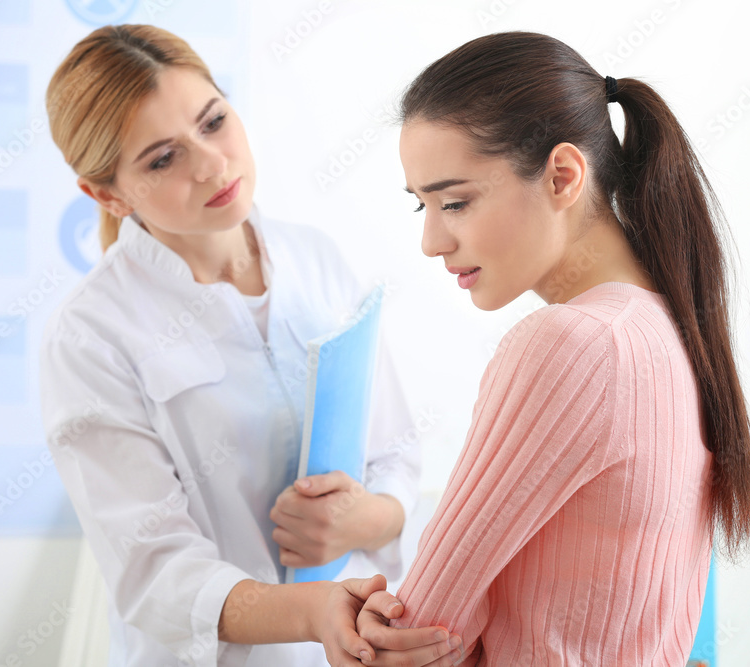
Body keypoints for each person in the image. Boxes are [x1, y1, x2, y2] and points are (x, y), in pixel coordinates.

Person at [39, 24, 461, 667]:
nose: (212, 164)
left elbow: (396, 452)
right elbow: (156, 574)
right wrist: (312, 613)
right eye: (162, 158)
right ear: (107, 194)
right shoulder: (90, 336)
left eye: (213, 121)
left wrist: (368, 519)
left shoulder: (317, 258)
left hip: (364, 646)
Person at [357, 31, 750, 665]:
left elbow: (413, 635)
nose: (432, 242)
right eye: (422, 207)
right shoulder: (667, 327)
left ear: (563, 176)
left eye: (455, 202)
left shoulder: (574, 346)